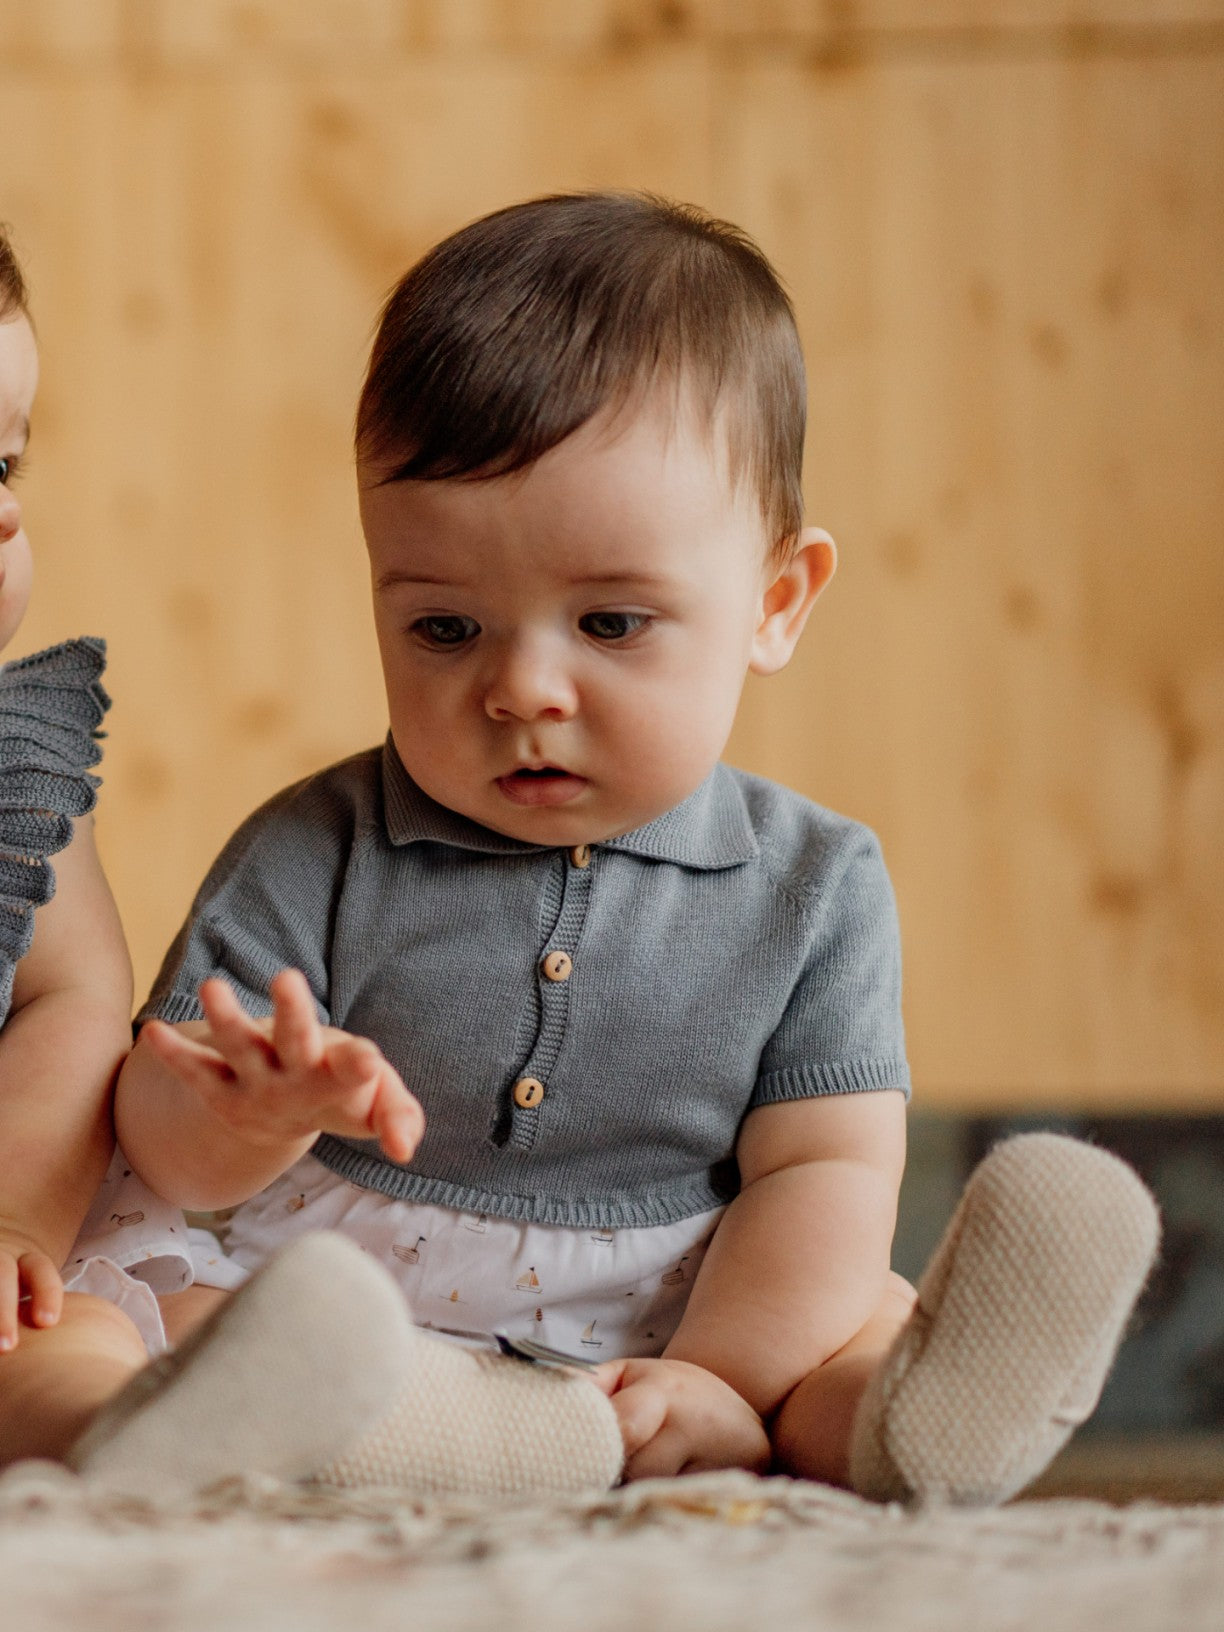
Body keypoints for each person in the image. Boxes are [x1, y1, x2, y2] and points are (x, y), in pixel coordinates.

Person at [64, 195, 1159, 1503]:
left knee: (845, 1312)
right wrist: (240, 1120)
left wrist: (719, 1375)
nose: (523, 688)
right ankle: (426, 1430)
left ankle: (910, 1420)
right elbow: (158, 1139)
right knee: (163, 1324)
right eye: (446, 630)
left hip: (695, 1304)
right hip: (358, 1298)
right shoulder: (323, 847)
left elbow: (821, 1167)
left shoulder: (815, 885)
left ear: (774, 603)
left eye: (613, 624)